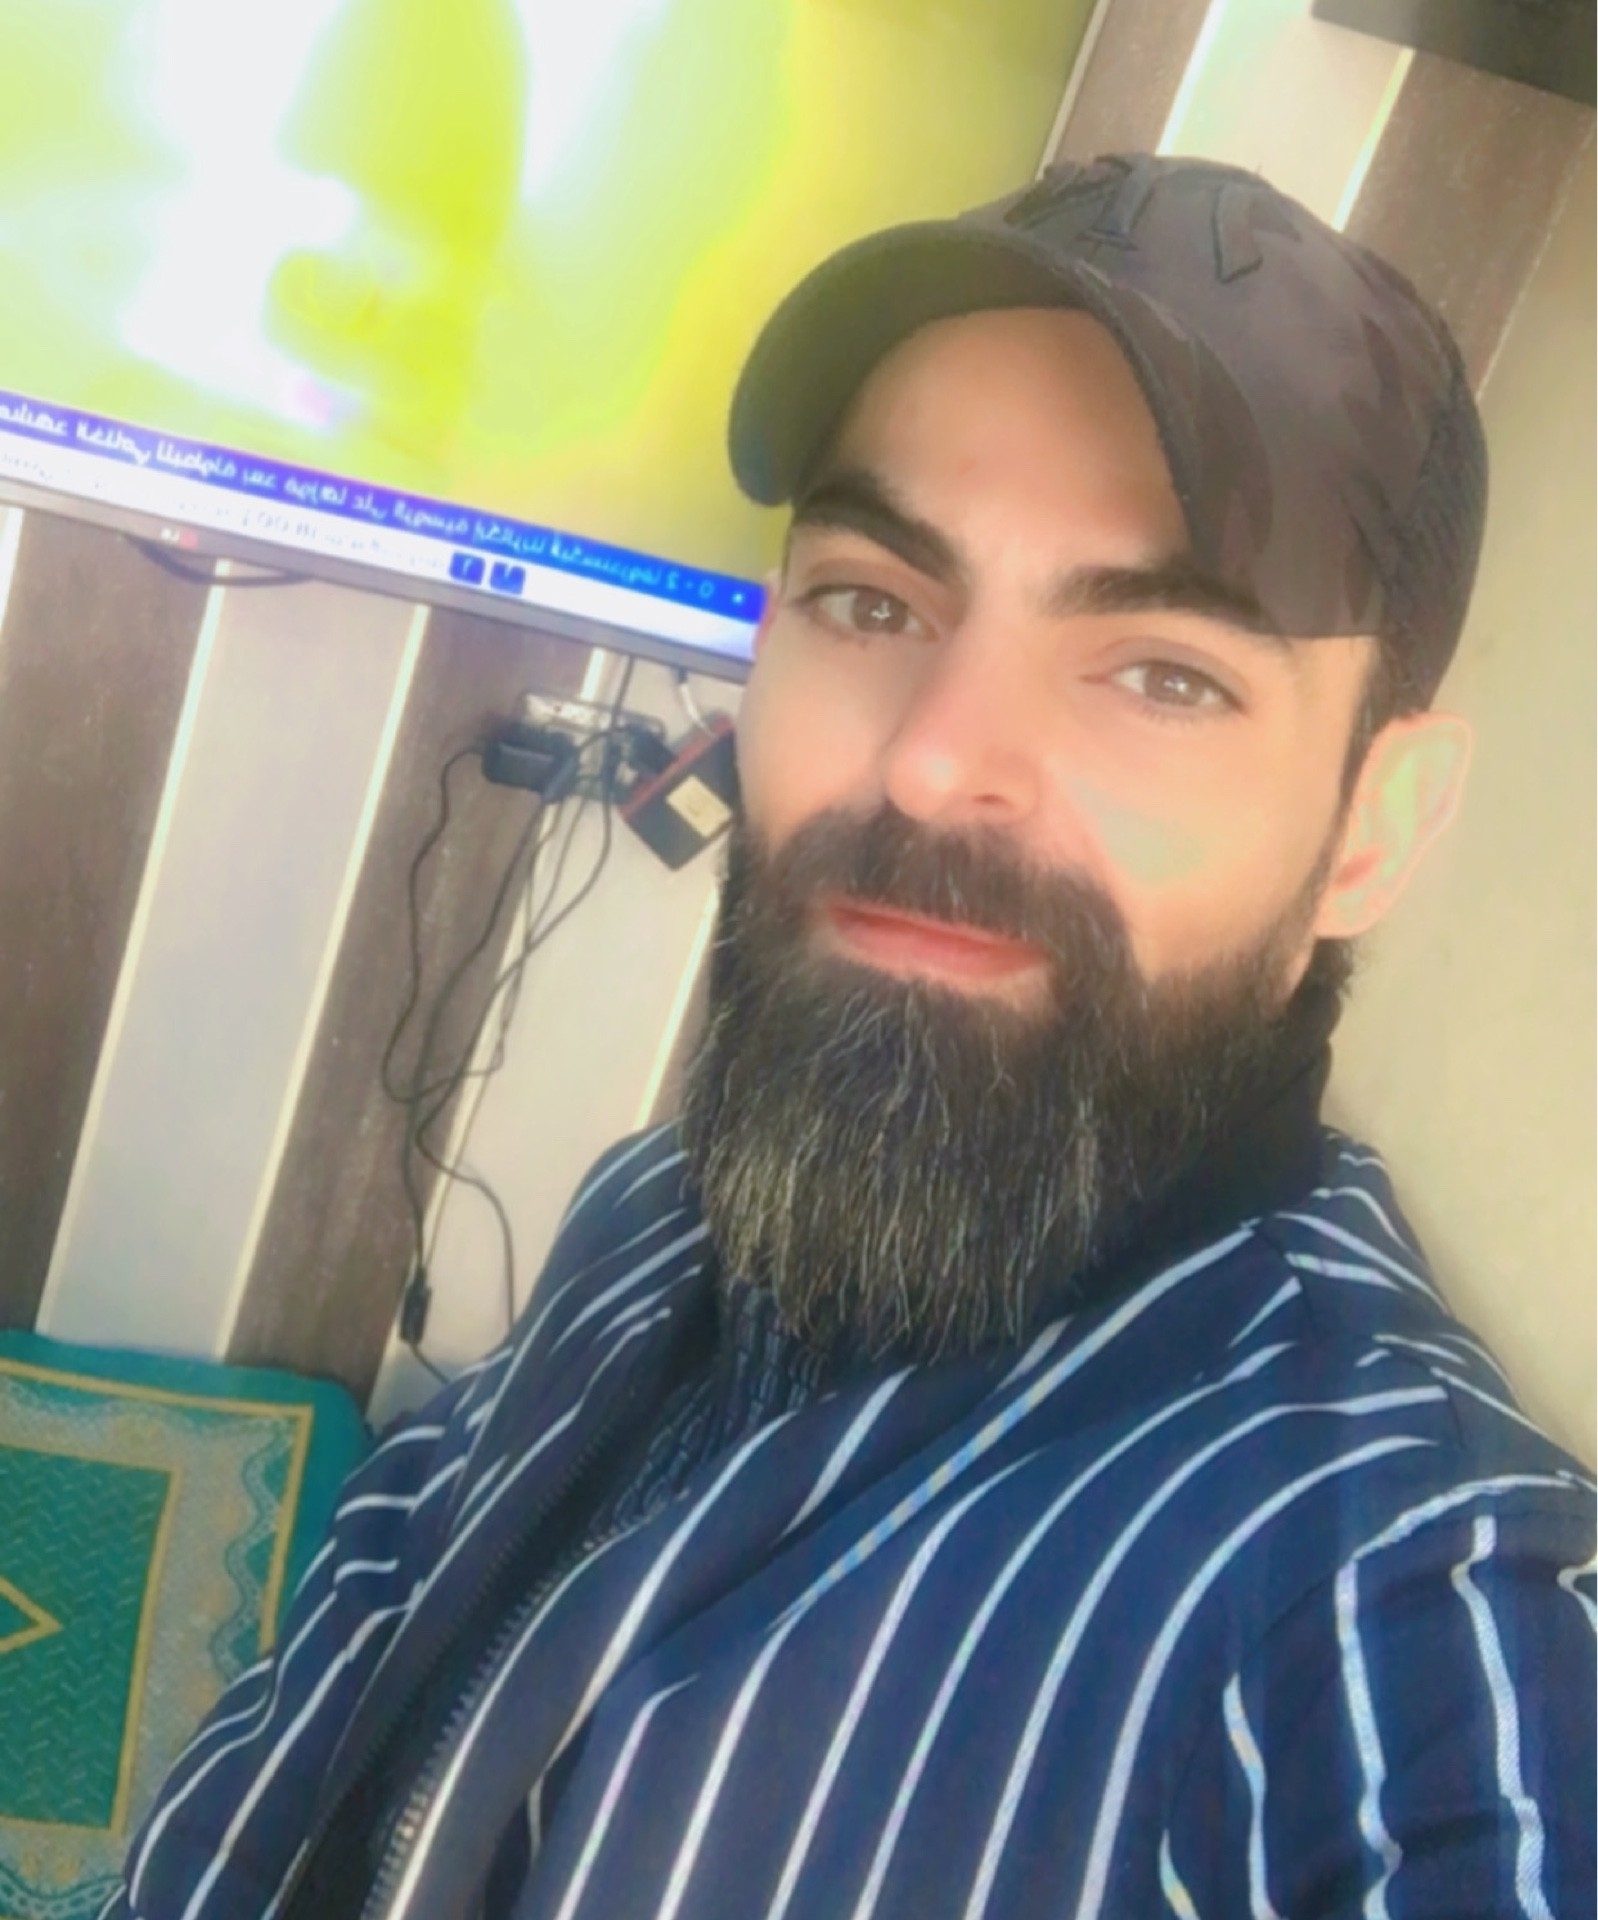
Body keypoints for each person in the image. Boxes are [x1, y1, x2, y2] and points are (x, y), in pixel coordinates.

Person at [107, 153, 1594, 1920]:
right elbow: (392, 1569)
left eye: (1166, 673)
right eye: (872, 603)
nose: (930, 758)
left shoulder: (1395, 1600)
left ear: (1370, 827)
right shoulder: (662, 1209)